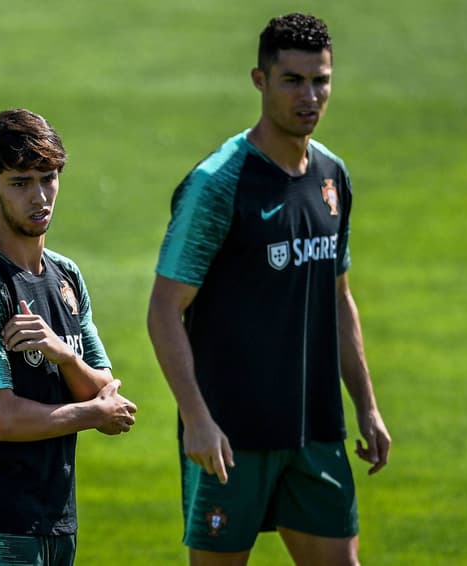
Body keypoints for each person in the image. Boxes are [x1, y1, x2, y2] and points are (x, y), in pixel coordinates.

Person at [147, 13, 391, 566]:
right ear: (260, 80)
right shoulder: (218, 184)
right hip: (230, 437)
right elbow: (164, 309)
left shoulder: (332, 175)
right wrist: (197, 420)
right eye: (293, 80)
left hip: (316, 429)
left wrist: (367, 407)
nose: (310, 96)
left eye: (321, 80)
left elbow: (338, 298)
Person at [0, 108, 138, 566]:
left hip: (57, 523)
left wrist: (64, 355)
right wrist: (92, 411)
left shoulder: (66, 276)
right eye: (21, 182)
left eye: (48, 178)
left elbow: (106, 390)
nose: (40, 196)